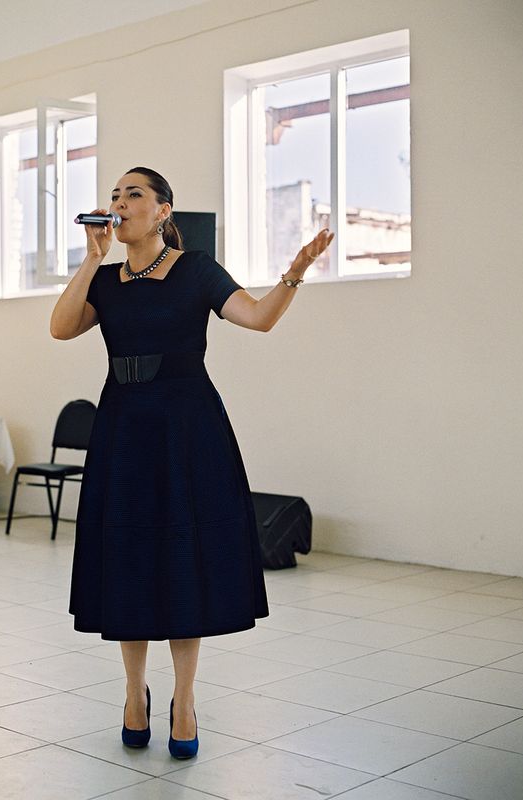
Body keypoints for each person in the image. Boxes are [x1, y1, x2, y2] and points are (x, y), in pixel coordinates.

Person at [50, 167, 333, 759]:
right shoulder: (104, 280)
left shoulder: (197, 269)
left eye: (134, 195)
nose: (120, 204)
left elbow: (258, 317)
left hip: (185, 429)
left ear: (162, 212)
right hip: (123, 427)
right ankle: (133, 694)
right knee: (127, 556)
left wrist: (296, 272)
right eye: (114, 196)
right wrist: (90, 258)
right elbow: (60, 328)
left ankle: (183, 699)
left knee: (181, 559)